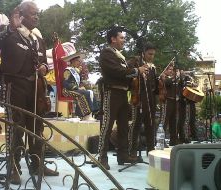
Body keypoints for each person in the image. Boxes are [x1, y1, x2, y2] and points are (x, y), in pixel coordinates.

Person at [0, 1, 59, 185]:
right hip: (15, 85)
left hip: (35, 87)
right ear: (21, 14)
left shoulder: (38, 38)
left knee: (37, 127)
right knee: (16, 127)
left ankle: (37, 165)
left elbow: (43, 59)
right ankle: (13, 168)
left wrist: (43, 66)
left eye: (38, 14)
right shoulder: (9, 30)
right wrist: (11, 27)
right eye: (33, 13)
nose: (36, 17)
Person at [98, 26, 147, 170]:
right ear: (113, 39)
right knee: (107, 126)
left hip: (122, 93)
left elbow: (125, 74)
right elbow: (117, 72)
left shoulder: (119, 55)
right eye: (121, 37)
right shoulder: (107, 53)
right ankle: (101, 157)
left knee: (124, 126)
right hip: (111, 93)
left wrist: (137, 76)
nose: (124, 40)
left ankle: (123, 155)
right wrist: (136, 71)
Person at [128, 41, 159, 155]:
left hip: (150, 98)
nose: (152, 57)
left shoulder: (153, 67)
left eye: (153, 54)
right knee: (136, 124)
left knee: (150, 123)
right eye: (149, 54)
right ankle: (132, 151)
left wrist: (160, 81)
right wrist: (138, 70)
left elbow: (154, 86)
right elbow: (127, 73)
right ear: (143, 53)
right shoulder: (135, 61)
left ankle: (151, 149)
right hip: (138, 97)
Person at [62, 51, 99, 120]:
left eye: (79, 61)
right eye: (77, 61)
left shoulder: (76, 71)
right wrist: (77, 88)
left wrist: (82, 86)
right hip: (67, 91)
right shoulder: (67, 71)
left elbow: (79, 82)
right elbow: (65, 83)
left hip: (74, 90)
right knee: (85, 93)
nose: (79, 62)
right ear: (72, 61)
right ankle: (84, 115)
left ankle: (93, 113)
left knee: (90, 92)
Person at [162, 65, 179, 145]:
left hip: (174, 101)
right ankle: (161, 140)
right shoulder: (163, 77)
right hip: (167, 100)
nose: (171, 71)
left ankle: (173, 140)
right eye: (169, 69)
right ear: (165, 70)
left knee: (173, 121)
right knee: (164, 121)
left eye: (172, 69)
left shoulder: (173, 78)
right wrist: (175, 77)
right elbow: (167, 83)